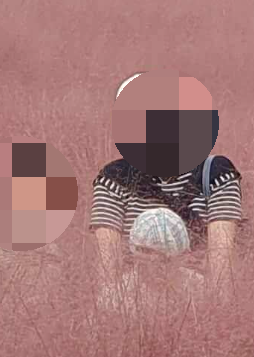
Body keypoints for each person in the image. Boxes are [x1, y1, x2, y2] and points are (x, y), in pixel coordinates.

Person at [89, 73, 241, 305]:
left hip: (195, 298)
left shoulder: (216, 174)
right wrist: (114, 307)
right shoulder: (113, 179)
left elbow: (222, 267)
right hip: (135, 298)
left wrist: (218, 315)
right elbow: (107, 270)